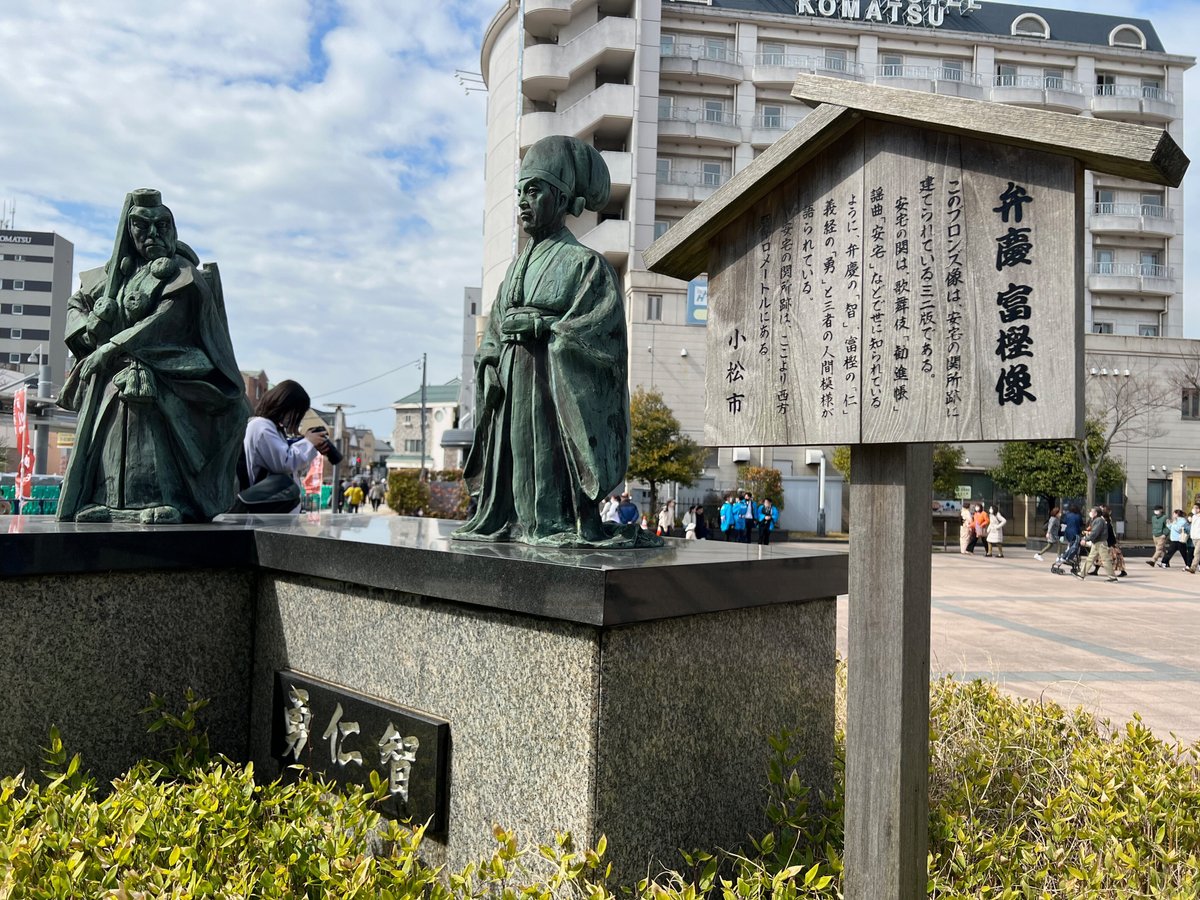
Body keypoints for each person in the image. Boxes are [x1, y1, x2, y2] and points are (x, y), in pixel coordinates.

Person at [454, 136, 654, 547]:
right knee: (513, 461)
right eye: (520, 192)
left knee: (545, 467)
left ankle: (558, 520)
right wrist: (490, 360)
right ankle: (510, 518)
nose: (523, 201)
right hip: (511, 383)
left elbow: (601, 336)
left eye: (535, 190)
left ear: (561, 198)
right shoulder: (516, 267)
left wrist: (546, 330)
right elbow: (494, 329)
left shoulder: (587, 265)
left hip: (549, 386)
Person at [56, 188, 248, 524]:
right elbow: (76, 305)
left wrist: (109, 348)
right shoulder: (115, 273)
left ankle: (168, 499)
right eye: (142, 227)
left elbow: (163, 319)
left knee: (153, 432)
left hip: (166, 371)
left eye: (162, 225)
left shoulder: (180, 273)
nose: (153, 234)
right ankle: (105, 498)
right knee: (109, 434)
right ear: (129, 233)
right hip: (115, 379)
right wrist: (92, 323)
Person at [237, 380, 335, 514]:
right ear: (284, 406)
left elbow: (292, 467)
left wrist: (311, 447)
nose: (294, 418)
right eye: (296, 412)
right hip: (267, 514)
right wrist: (308, 442)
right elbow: (284, 463)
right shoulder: (261, 426)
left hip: (277, 513)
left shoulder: (273, 428)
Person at [1078, 506, 1118, 582]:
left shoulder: (1099, 521)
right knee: (1090, 559)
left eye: (1092, 512)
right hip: (1097, 543)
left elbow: (1095, 533)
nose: (1090, 513)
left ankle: (1113, 577)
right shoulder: (1096, 520)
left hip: (1100, 543)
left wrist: (1085, 539)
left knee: (1105, 560)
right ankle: (1081, 574)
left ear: (1096, 513)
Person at [1185, 504, 1200, 574]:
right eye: (1193, 508)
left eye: (1195, 508)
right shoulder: (1194, 516)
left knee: (1196, 553)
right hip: (1194, 537)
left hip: (1199, 537)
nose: (1193, 509)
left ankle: (1193, 568)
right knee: (1197, 553)